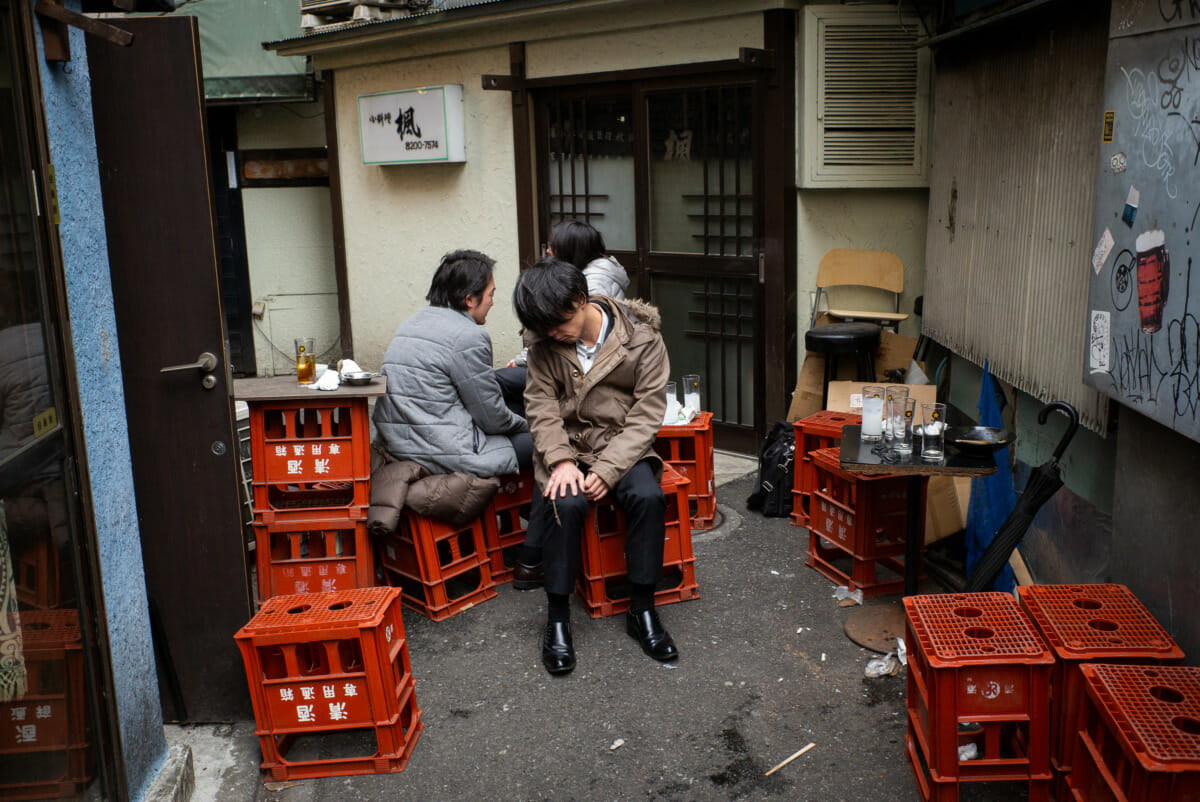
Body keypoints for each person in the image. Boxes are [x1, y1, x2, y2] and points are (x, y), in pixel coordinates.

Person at [513, 256, 678, 676]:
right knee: (562, 504)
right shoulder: (544, 342)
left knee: (648, 497)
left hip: (621, 445)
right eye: (544, 327)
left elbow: (647, 415)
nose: (553, 333)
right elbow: (541, 406)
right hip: (565, 447)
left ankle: (642, 610)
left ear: (582, 299)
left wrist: (607, 470)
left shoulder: (641, 338)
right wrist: (561, 461)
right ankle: (556, 618)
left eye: (560, 322)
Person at [373, 249, 532, 478]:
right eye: (490, 295)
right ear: (469, 299)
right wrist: (529, 425)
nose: (492, 303)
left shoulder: (412, 323)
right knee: (547, 443)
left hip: (399, 444)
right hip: (445, 452)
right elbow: (491, 418)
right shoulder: (469, 337)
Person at [546, 219, 629, 299]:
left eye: (553, 246)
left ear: (570, 250)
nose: (548, 250)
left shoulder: (595, 283)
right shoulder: (587, 270)